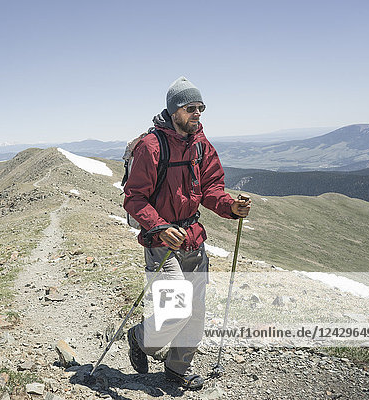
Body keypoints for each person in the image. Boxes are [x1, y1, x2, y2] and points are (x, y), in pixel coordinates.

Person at [123, 76, 251, 389]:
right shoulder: (151, 148)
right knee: (177, 309)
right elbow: (134, 198)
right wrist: (160, 227)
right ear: (174, 110)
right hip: (162, 242)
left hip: (193, 237)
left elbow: (211, 188)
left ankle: (176, 370)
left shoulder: (200, 145)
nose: (197, 113)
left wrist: (230, 207)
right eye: (190, 107)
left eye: (200, 107)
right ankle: (140, 339)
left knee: (196, 311)